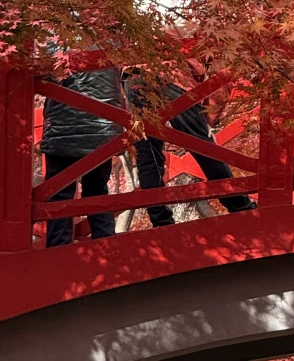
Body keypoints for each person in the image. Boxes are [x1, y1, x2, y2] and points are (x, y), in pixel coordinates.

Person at [123, 74, 255, 223]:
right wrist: (208, 120)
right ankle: (241, 208)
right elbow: (220, 79)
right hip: (172, 76)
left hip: (131, 79)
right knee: (204, 147)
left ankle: (161, 221)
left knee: (148, 156)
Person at [38, 58, 123, 247]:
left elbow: (40, 76)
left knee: (59, 192)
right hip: (102, 129)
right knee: (97, 189)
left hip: (63, 128)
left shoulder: (55, 42)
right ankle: (106, 246)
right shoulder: (112, 44)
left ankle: (58, 251)